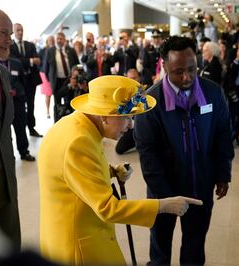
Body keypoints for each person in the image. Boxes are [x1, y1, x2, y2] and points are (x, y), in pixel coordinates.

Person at [38, 75, 202, 265]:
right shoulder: (79, 142)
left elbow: (71, 173)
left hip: (64, 234)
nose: (130, 125)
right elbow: (107, 208)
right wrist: (163, 205)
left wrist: (110, 171)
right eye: (126, 117)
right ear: (104, 116)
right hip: (79, 246)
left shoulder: (74, 125)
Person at [134, 36, 234, 265]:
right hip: (163, 192)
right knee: (160, 251)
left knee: (195, 248)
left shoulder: (213, 94)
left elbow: (222, 136)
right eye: (179, 71)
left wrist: (222, 173)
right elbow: (148, 153)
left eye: (192, 69)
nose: (187, 77)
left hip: (200, 187)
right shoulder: (149, 102)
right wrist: (165, 197)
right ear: (164, 66)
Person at [0, 4, 21, 250]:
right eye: (3, 33)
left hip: (6, 185)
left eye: (10, 35)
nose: (9, 40)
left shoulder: (1, 72)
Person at [0, 57, 35, 161]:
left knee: (21, 127)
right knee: (5, 131)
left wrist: (17, 91)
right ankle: (8, 155)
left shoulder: (16, 63)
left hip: (18, 102)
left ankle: (24, 152)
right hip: (2, 104)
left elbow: (23, 81)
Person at [10, 23, 43, 137]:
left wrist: (26, 61)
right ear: (13, 31)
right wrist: (30, 61)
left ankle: (31, 128)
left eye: (21, 30)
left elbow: (38, 60)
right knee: (19, 107)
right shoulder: (11, 46)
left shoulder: (30, 45)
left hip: (30, 80)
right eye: (18, 30)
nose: (20, 32)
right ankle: (22, 130)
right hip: (17, 82)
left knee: (31, 105)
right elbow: (15, 61)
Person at [44, 31, 79, 122]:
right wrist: (50, 81)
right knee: (57, 104)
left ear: (64, 40)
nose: (59, 41)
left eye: (61, 39)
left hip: (69, 80)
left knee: (70, 102)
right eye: (57, 39)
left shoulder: (70, 50)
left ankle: (71, 122)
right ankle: (57, 123)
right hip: (56, 82)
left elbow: (77, 65)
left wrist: (75, 76)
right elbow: (46, 68)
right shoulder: (50, 51)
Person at [115, 68, 141, 155]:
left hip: (141, 126)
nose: (132, 81)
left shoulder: (145, 92)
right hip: (130, 126)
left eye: (135, 78)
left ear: (139, 79)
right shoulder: (123, 93)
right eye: (130, 79)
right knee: (119, 149)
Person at [38, 35, 54, 119]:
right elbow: (39, 62)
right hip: (45, 74)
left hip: (54, 74)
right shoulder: (43, 50)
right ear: (47, 41)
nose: (51, 41)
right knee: (48, 94)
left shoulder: (56, 50)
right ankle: (47, 111)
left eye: (52, 40)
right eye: (49, 40)